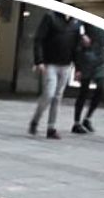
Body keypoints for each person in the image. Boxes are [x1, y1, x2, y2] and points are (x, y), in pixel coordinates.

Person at [27, 11, 84, 140]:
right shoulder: (50, 17)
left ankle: (51, 128)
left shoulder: (76, 23)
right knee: (49, 94)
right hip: (50, 64)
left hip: (66, 65)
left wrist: (78, 68)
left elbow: (77, 47)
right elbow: (39, 40)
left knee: (58, 97)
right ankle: (35, 120)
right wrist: (39, 61)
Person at [72, 26, 104, 135]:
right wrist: (82, 36)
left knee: (101, 88)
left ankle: (87, 118)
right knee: (83, 91)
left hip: (101, 59)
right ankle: (76, 123)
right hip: (87, 57)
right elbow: (77, 25)